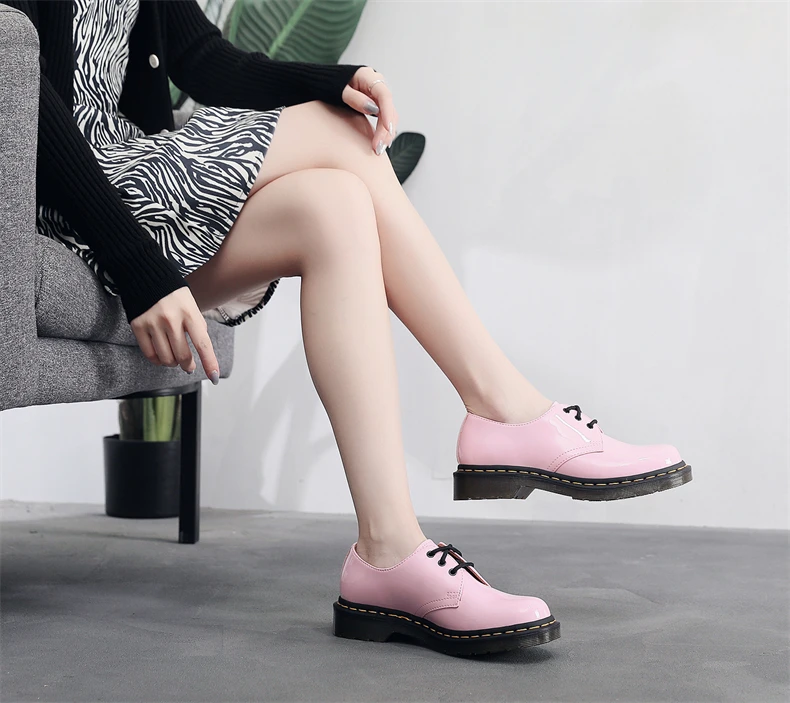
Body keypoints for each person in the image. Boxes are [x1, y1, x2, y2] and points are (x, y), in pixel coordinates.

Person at [12, 0, 692, 657]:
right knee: (338, 132)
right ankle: (504, 408)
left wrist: (335, 79)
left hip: (130, 180)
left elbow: (202, 58)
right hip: (63, 198)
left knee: (334, 206)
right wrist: (138, 269)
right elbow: (29, 100)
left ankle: (389, 552)